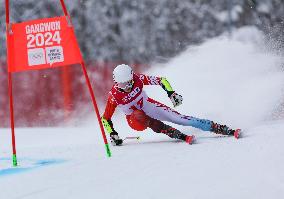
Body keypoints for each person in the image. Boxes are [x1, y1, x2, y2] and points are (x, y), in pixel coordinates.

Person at [101, 64, 241, 146]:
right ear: (116, 83)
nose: (126, 87)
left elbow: (162, 80)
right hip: (134, 120)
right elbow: (105, 118)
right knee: (140, 116)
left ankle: (220, 128)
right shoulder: (114, 96)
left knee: (180, 118)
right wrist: (113, 134)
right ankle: (162, 128)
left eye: (128, 83)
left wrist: (172, 94)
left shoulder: (138, 79)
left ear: (132, 77)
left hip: (148, 105)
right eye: (121, 84)